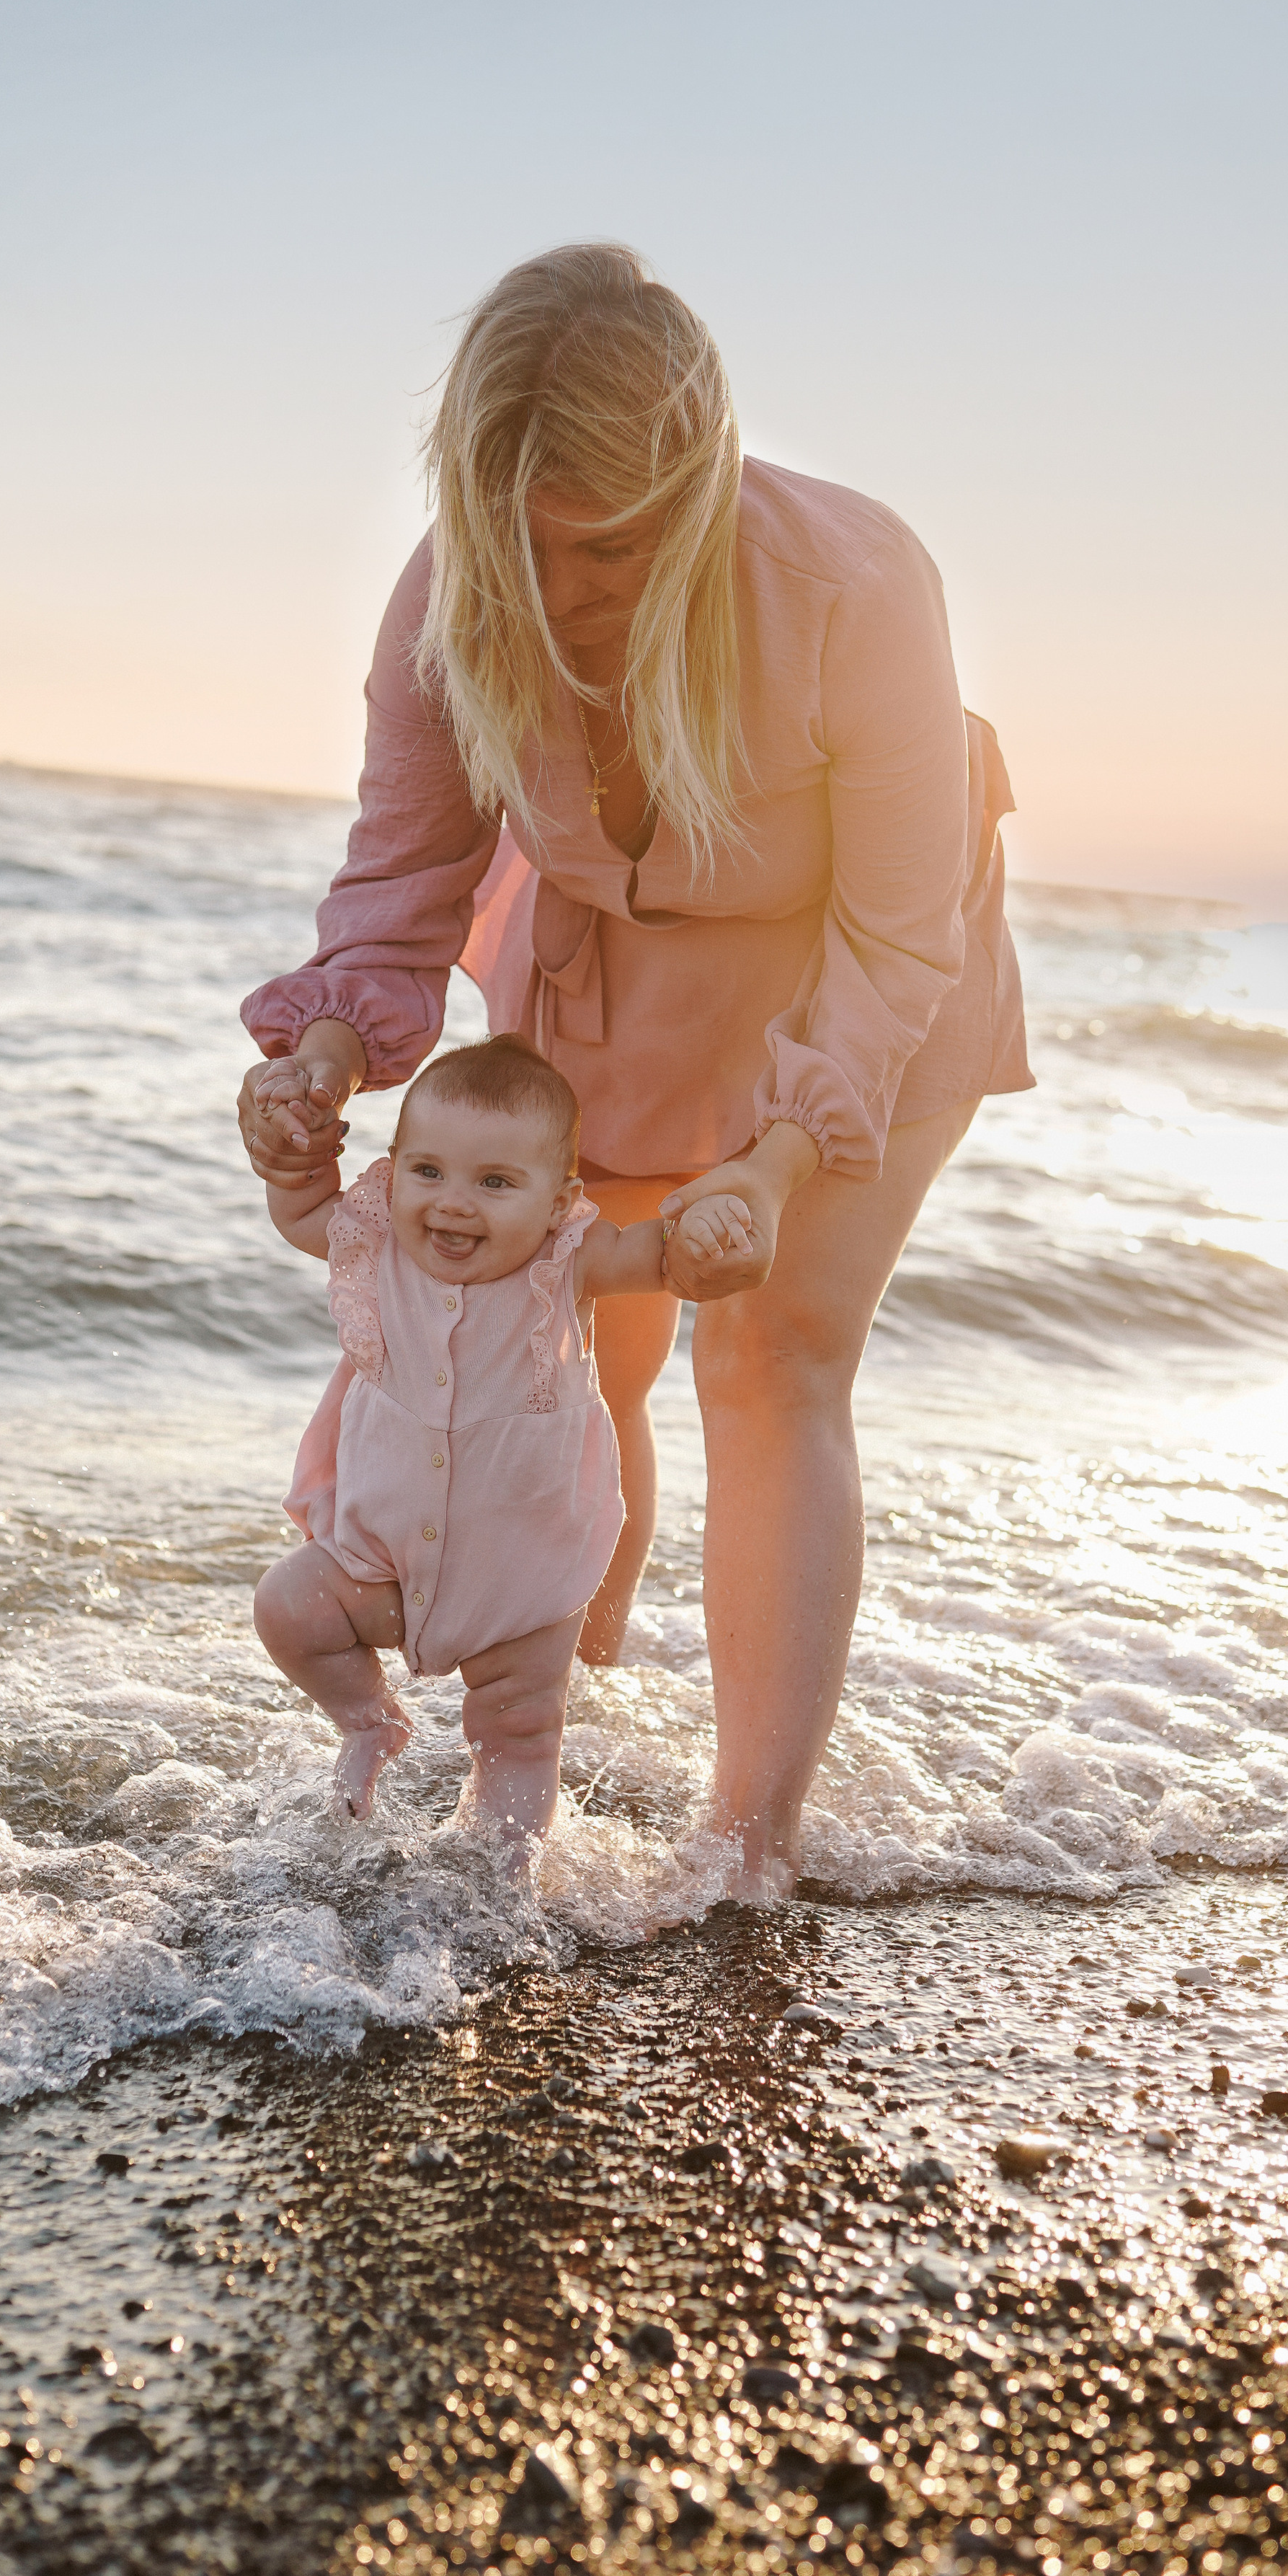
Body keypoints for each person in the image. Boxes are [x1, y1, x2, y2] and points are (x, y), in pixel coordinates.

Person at [241, 242, 1033, 1899]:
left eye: (599, 550)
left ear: (690, 496)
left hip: (860, 965)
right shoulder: (452, 592)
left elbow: (896, 942)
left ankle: (745, 1838)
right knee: (578, 1351)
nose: (559, 596)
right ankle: (559, 1715)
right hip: (608, 964)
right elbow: (405, 879)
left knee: (772, 1353)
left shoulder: (855, 582)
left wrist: (774, 1158)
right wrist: (329, 1046)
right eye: (518, 545)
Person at [252, 1032, 752, 1866]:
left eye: (494, 1182)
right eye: (428, 1171)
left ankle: (499, 1873)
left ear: (558, 1203)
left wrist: (703, 1240)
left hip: (516, 1578)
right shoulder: (376, 1245)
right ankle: (370, 1722)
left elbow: (656, 1257)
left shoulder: (566, 1261)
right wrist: (294, 1142)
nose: (452, 1202)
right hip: (376, 1562)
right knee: (288, 1609)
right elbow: (301, 1207)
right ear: (394, 1169)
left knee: (518, 1728)